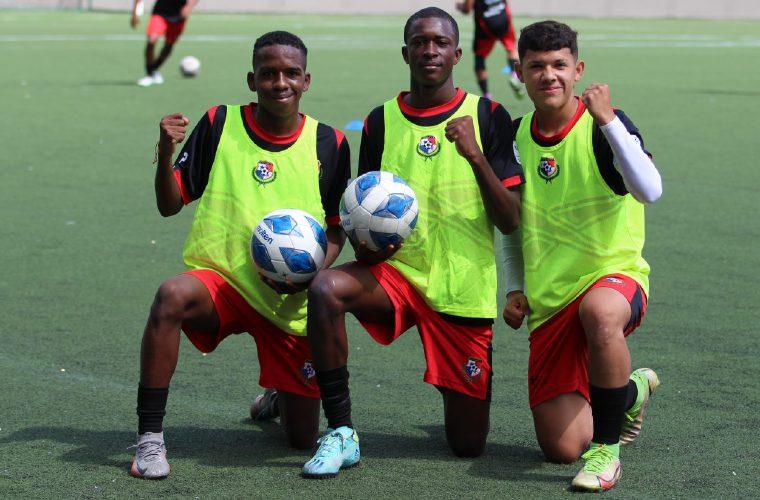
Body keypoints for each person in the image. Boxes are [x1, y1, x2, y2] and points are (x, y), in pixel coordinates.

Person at [301, 7, 523, 479]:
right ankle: (341, 431)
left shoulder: (488, 115)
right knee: (325, 288)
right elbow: (360, 214)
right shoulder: (380, 121)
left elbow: (510, 220)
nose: (430, 51)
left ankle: (452, 381)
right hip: (396, 278)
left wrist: (475, 156)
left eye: (440, 42)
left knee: (467, 445)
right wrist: (368, 248)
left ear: (457, 54)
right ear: (406, 53)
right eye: (420, 42)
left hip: (461, 290)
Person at [130, 31, 350, 479]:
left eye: (291, 73)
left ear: (306, 81)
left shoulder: (330, 142)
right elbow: (169, 204)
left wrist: (310, 272)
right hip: (222, 285)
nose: (280, 83)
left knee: (301, 438)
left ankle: (278, 393)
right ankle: (150, 439)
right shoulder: (219, 122)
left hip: (287, 300)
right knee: (170, 295)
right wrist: (167, 152)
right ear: (252, 80)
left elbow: (335, 229)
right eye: (268, 74)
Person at [501, 20, 663, 492]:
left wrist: (608, 121)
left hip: (614, 277)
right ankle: (630, 391)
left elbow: (650, 190)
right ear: (520, 73)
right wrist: (515, 286)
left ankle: (607, 452)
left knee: (600, 313)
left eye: (559, 64)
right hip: (550, 300)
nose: (548, 75)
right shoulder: (514, 137)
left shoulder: (604, 125)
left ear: (578, 69)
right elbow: (513, 223)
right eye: (536, 66)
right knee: (561, 447)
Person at [455, 0, 523, 99]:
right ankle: (514, 75)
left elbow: (467, 9)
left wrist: (460, 6)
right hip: (503, 17)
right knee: (511, 48)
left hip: (486, 24)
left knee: (479, 59)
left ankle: (486, 95)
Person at [130, 0, 198, 87]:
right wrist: (135, 13)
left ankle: (154, 70)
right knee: (151, 40)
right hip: (160, 12)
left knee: (169, 44)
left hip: (178, 15)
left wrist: (188, 7)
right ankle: (150, 74)